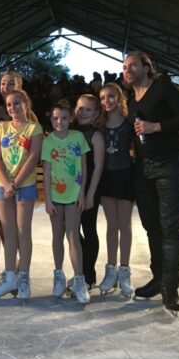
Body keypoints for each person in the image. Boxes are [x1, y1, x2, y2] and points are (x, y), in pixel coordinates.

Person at [123, 51, 179, 313]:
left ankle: (170, 287)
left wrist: (156, 127)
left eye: (132, 65)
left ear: (146, 67)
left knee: (170, 227)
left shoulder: (163, 87)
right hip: (143, 168)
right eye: (124, 67)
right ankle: (158, 278)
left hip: (168, 165)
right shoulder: (131, 100)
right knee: (151, 226)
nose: (127, 70)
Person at [0, 89, 43, 299]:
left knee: (23, 232)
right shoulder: (2, 127)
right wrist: (6, 183)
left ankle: (23, 278)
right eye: (9, 104)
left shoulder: (34, 128)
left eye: (17, 103)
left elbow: (33, 157)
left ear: (26, 104)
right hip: (3, 185)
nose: (13, 108)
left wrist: (16, 183)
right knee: (8, 231)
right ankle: (10, 276)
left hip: (25, 185)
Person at [42, 100, 91, 304]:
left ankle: (79, 280)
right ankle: (59, 276)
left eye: (63, 118)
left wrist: (81, 193)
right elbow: (46, 172)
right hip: (55, 197)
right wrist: (47, 199)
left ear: (71, 119)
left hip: (73, 196)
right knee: (57, 236)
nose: (59, 122)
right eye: (55, 118)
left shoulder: (78, 137)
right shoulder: (48, 141)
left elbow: (83, 167)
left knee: (73, 236)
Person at [98, 83, 135, 297]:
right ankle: (110, 270)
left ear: (119, 97)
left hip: (126, 176)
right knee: (112, 225)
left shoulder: (129, 123)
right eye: (103, 98)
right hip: (107, 177)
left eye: (110, 96)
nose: (106, 101)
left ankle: (125, 271)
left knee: (125, 225)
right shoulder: (100, 125)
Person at [72, 94, 104, 292]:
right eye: (80, 108)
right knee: (72, 231)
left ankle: (89, 275)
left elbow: (98, 167)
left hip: (89, 188)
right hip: (71, 190)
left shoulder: (96, 136)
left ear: (97, 114)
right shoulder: (70, 131)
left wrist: (90, 193)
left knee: (88, 229)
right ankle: (81, 272)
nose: (83, 112)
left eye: (88, 109)